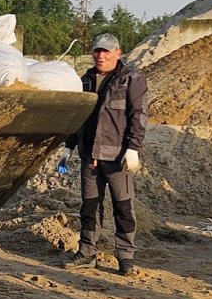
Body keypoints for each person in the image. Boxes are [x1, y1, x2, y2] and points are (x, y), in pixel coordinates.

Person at [58, 33, 148, 276]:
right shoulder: (85, 81)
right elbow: (75, 118)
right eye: (98, 50)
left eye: (107, 51)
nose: (101, 55)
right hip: (90, 157)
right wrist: (68, 148)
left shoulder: (131, 79)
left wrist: (133, 148)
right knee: (89, 207)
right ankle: (87, 253)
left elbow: (138, 116)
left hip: (117, 157)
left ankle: (126, 257)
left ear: (118, 53)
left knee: (123, 208)